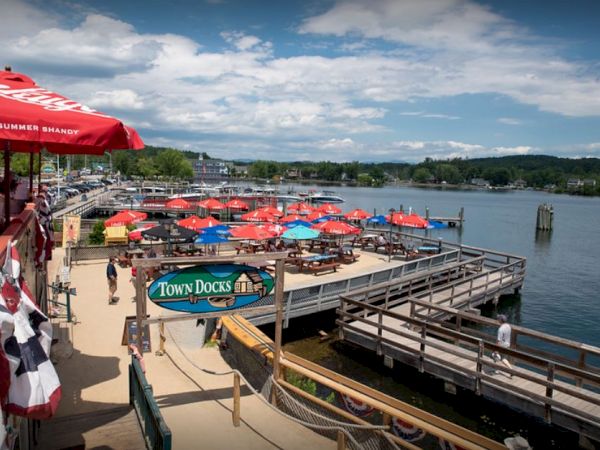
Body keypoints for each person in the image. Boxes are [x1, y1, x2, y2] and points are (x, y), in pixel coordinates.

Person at [493, 314, 513, 378]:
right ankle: (510, 369)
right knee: (503, 358)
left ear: (500, 320)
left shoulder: (500, 329)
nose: (497, 320)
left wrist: (496, 349)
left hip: (502, 345)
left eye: (498, 319)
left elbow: (498, 340)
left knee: (494, 355)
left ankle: (496, 369)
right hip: (507, 344)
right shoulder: (509, 326)